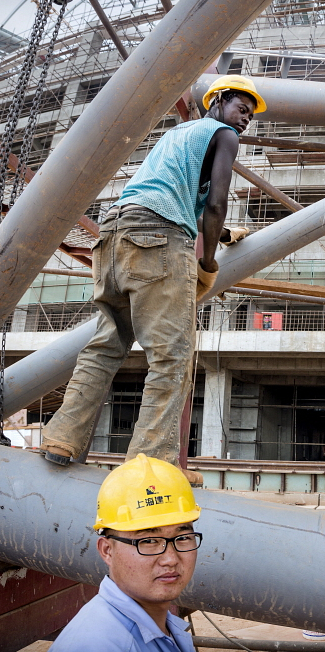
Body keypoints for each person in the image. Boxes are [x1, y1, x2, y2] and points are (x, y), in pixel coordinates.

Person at [41, 75, 267, 481]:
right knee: (172, 354)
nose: (245, 119)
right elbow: (216, 203)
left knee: (106, 346)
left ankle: (61, 438)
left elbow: (170, 195)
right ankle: (153, 464)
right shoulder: (224, 134)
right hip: (158, 239)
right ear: (216, 103)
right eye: (241, 108)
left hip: (113, 237)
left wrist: (226, 233)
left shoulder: (178, 135)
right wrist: (209, 262)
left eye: (250, 114)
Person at [49, 454, 202, 651]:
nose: (170, 559)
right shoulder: (95, 645)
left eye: (182, 538)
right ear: (107, 551)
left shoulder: (162, 626)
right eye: (149, 541)